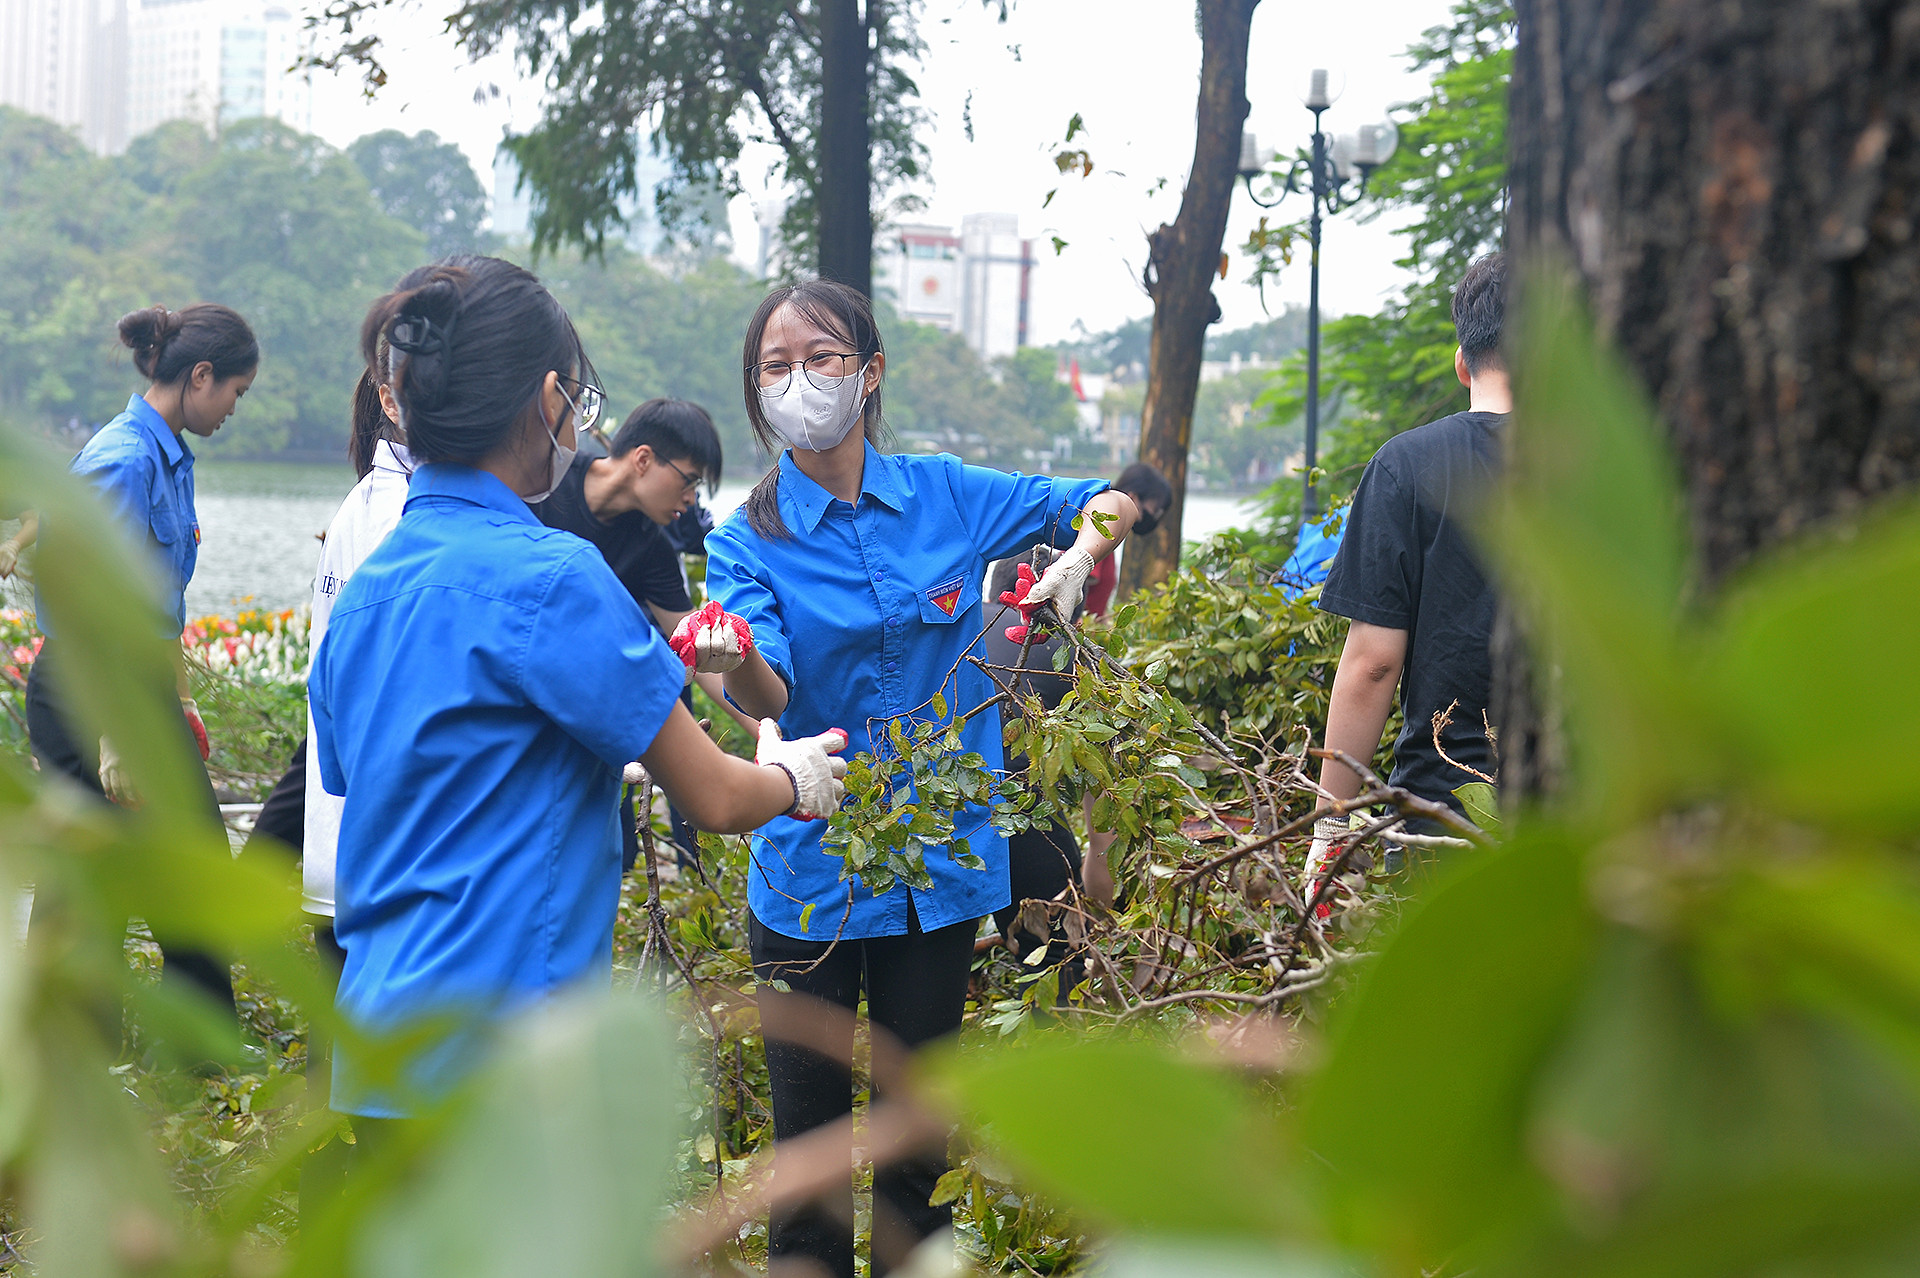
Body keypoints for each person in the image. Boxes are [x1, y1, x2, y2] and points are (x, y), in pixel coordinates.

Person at [308, 256, 847, 1121]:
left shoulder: (367, 590)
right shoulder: (555, 578)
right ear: (550, 400)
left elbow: (353, 779)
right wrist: (798, 777)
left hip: (377, 1053)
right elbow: (711, 793)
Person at [696, 279, 1140, 1278]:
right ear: (756, 393)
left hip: (943, 872)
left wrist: (1087, 548)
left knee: (920, 1162)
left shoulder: (944, 493)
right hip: (814, 881)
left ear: (870, 372)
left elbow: (1112, 499)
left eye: (822, 359)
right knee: (807, 1175)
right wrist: (729, 667)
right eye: (776, 366)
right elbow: (763, 684)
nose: (800, 382)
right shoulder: (743, 540)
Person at [25, 303, 259, 1011]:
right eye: (235, 394)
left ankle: (180, 1047)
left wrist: (181, 700)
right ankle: (68, 1043)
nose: (233, 410)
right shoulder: (126, 460)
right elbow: (87, 603)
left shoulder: (167, 457)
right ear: (201, 375)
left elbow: (157, 606)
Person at [1311, 252, 1509, 871]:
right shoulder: (1612, 468)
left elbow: (1373, 664)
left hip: (1442, 817)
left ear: (1462, 364)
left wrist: (1329, 833)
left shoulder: (1407, 465)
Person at [535, 396, 756, 869]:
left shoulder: (651, 545)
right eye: (689, 480)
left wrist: (757, 725)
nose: (691, 499)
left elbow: (692, 649)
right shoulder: (543, 477)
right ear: (642, 459)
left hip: (587, 712)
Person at [983, 548, 1085, 992]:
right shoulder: (1071, 653)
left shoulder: (956, 626)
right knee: (1052, 969)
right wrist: (1097, 876)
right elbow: (1101, 785)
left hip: (932, 816)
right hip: (1025, 827)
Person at [1079, 461, 1173, 618]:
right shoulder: (1102, 532)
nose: (1154, 517)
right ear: (1133, 498)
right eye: (1154, 509)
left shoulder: (1108, 536)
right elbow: (1077, 584)